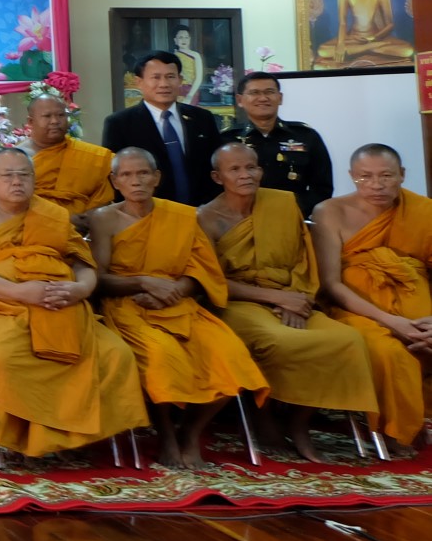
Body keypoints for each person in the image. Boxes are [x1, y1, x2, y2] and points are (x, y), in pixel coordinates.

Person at [0, 148, 147, 458]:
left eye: (24, 175)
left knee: (116, 355)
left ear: (34, 179)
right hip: (4, 309)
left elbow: (84, 264)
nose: (17, 182)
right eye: (8, 175)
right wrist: (21, 293)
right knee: (3, 358)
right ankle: (26, 438)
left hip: (64, 306)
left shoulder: (53, 216)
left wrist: (80, 289)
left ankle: (80, 437)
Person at [88, 148, 269, 468]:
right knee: (162, 357)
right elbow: (98, 280)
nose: (136, 181)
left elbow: (202, 271)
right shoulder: (104, 219)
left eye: (143, 173)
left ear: (156, 178)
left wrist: (173, 291)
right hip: (128, 306)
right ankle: (166, 435)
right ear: (115, 182)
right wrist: (144, 283)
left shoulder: (183, 216)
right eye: (127, 175)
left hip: (178, 304)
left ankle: (190, 431)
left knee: (232, 356)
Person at [196, 143, 374, 462]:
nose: (245, 175)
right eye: (235, 169)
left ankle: (299, 421)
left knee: (348, 339)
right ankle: (263, 414)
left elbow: (304, 261)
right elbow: (213, 281)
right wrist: (276, 298)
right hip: (239, 302)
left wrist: (299, 299)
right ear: (217, 177)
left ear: (261, 170)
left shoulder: (282, 203)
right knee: (278, 341)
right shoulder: (205, 218)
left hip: (293, 295)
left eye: (251, 167)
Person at [312, 144, 432, 450]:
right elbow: (331, 284)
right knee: (391, 352)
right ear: (351, 176)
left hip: (420, 313)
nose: (376, 185)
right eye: (365, 177)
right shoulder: (330, 212)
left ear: (402, 175)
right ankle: (398, 432)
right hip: (358, 311)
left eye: (386, 176)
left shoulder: (424, 211)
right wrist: (390, 321)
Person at [100, 50, 221, 206]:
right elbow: (115, 175)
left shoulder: (202, 118)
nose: (164, 84)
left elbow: (217, 166)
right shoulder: (119, 123)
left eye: (170, 77)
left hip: (202, 211)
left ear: (180, 80)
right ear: (139, 82)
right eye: (156, 77)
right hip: (147, 212)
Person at [224, 72, 333, 217]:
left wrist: (291, 211)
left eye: (269, 92)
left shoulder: (306, 136)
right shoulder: (226, 140)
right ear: (240, 100)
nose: (263, 98)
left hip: (292, 218)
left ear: (280, 98)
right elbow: (214, 186)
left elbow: (322, 188)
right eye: (254, 93)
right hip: (240, 219)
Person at [18, 93, 112, 231]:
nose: (55, 121)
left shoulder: (92, 156)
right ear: (30, 122)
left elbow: (103, 197)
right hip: (34, 231)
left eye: (61, 115)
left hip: (88, 231)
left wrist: (90, 218)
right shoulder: (17, 158)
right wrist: (64, 219)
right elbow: (13, 203)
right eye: (47, 116)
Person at [171, 25, 205, 105]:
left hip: (191, 90)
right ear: (175, 40)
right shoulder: (173, 56)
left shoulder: (195, 55)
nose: (184, 40)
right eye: (180, 37)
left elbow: (199, 78)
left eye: (186, 37)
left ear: (190, 39)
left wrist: (189, 96)